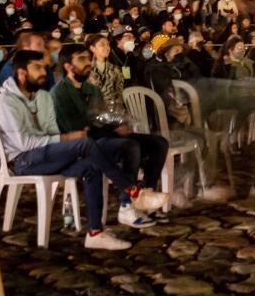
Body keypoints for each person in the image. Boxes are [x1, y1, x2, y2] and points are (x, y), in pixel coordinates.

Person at [0, 50, 164, 249]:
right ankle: (133, 192)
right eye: (37, 68)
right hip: (22, 161)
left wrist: (66, 141)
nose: (43, 72)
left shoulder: (40, 98)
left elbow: (50, 130)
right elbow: (24, 144)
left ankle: (95, 232)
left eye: (43, 67)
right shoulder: (5, 103)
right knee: (85, 143)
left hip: (45, 154)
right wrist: (65, 139)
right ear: (21, 73)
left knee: (91, 166)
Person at [51, 43, 169, 228]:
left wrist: (119, 123)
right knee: (129, 146)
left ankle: (145, 195)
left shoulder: (92, 90)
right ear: (68, 66)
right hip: (83, 144)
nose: (87, 62)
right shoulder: (60, 94)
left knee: (158, 143)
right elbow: (77, 129)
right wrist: (113, 131)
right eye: (81, 59)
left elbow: (101, 116)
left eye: (87, 57)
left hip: (104, 135)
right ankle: (126, 204)